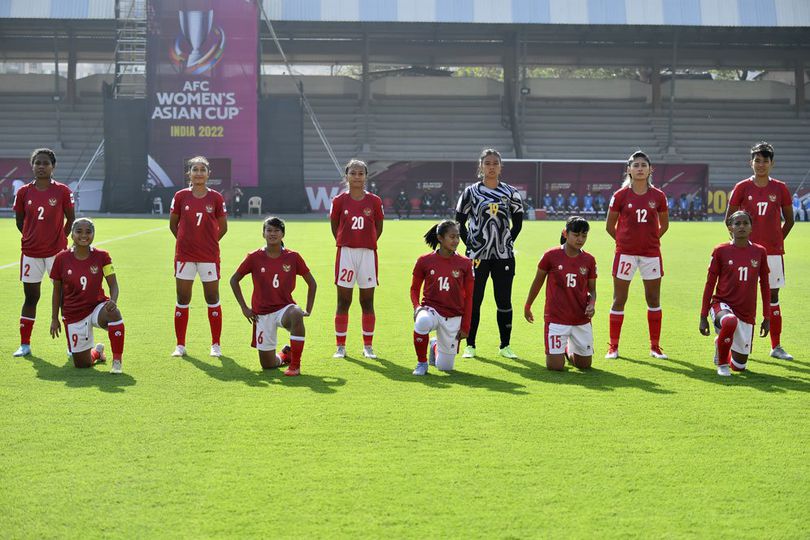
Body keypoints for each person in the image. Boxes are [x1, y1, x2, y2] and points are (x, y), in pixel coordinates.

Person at [726, 142, 794, 360]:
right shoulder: (742, 187)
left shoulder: (780, 188)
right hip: (745, 252)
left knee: (772, 297)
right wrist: (740, 246)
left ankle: (776, 346)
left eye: (765, 161)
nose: (761, 164)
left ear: (772, 164)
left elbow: (790, 220)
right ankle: (737, 343)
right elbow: (729, 220)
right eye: (757, 160)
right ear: (751, 162)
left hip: (772, 253)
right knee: (740, 296)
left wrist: (775, 242)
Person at [455, 148, 523, 359]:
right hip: (477, 257)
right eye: (487, 163)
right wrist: (471, 245)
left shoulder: (511, 192)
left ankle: (505, 346)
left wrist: (506, 242)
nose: (491, 167)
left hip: (504, 256)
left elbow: (518, 223)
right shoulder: (470, 192)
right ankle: (471, 345)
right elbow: (460, 222)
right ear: (481, 166)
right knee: (474, 301)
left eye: (495, 163)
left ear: (501, 167)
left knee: (504, 301)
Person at [230, 217, 316, 376]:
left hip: (284, 309)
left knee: (296, 313)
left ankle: (295, 366)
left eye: (277, 230)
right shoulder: (254, 257)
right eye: (269, 230)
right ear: (263, 233)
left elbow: (312, 283)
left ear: (283, 234)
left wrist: (308, 309)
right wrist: (244, 308)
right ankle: (285, 355)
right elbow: (234, 280)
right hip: (261, 314)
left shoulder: (293, 257)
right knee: (268, 365)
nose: (272, 233)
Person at [605, 150, 669, 359]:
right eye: (636, 165)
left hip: (651, 255)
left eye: (643, 165)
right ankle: (613, 346)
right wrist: (624, 243)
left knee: (653, 298)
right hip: (625, 255)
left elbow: (665, 224)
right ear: (629, 170)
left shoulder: (658, 196)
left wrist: (650, 240)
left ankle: (655, 346)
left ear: (650, 169)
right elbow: (609, 226)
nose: (640, 169)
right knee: (619, 299)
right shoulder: (620, 196)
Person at [12, 148, 75, 357]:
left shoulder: (63, 191)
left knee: (65, 298)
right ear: (32, 165)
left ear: (53, 167)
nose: (41, 166)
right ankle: (25, 344)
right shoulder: (23, 192)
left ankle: (71, 344)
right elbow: (20, 221)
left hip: (56, 254)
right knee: (31, 297)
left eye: (45, 163)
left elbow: (71, 219)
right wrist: (31, 237)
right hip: (31, 253)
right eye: (37, 163)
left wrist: (60, 239)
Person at [169, 156, 228, 358]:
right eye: (195, 169)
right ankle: (180, 345)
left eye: (203, 169)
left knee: (212, 298)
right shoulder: (180, 196)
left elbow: (223, 228)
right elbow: (173, 225)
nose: (199, 173)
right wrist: (186, 243)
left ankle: (216, 344)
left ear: (208, 174)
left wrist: (207, 243)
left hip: (209, 257)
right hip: (185, 256)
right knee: (182, 298)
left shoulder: (216, 198)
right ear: (189, 174)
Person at [49, 219, 126, 373]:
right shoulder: (61, 258)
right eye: (79, 231)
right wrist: (54, 318)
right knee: (82, 365)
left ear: (93, 234)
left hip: (97, 307)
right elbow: (57, 291)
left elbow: (114, 284)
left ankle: (117, 361)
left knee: (114, 313)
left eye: (88, 232)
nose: (84, 235)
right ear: (72, 234)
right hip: (74, 314)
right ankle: (97, 352)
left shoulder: (102, 256)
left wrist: (113, 300)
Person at [699, 210, 770, 376]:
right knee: (730, 321)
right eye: (737, 223)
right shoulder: (720, 251)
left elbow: (765, 286)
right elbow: (710, 284)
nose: (741, 226)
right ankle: (722, 365)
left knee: (739, 366)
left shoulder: (760, 252)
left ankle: (721, 344)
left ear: (752, 227)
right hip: (721, 306)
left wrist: (767, 318)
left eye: (746, 223)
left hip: (746, 313)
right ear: (730, 228)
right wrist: (703, 316)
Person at [524, 216, 597, 371]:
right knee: (555, 367)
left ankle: (569, 349)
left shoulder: (589, 259)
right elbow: (537, 282)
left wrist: (592, 304)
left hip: (581, 319)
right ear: (565, 233)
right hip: (556, 319)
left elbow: (592, 290)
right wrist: (528, 305)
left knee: (584, 366)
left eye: (584, 236)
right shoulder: (551, 256)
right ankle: (562, 350)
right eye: (576, 235)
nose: (580, 239)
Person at [330, 158, 384, 359]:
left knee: (367, 301)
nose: (357, 177)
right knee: (343, 301)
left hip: (368, 254)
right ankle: (340, 346)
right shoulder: (339, 201)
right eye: (353, 173)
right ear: (346, 176)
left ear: (366, 176)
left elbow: (378, 227)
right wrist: (347, 241)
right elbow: (335, 226)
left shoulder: (375, 201)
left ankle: (368, 346)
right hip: (346, 253)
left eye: (361, 173)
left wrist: (366, 241)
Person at [410, 220, 474, 375]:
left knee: (445, 367)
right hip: (431, 310)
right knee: (423, 320)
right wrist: (417, 307)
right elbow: (414, 289)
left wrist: (466, 326)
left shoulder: (465, 263)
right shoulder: (424, 261)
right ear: (440, 238)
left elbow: (470, 297)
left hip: (453, 316)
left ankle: (434, 345)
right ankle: (421, 363)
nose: (456, 241)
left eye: (458, 237)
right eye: (452, 237)